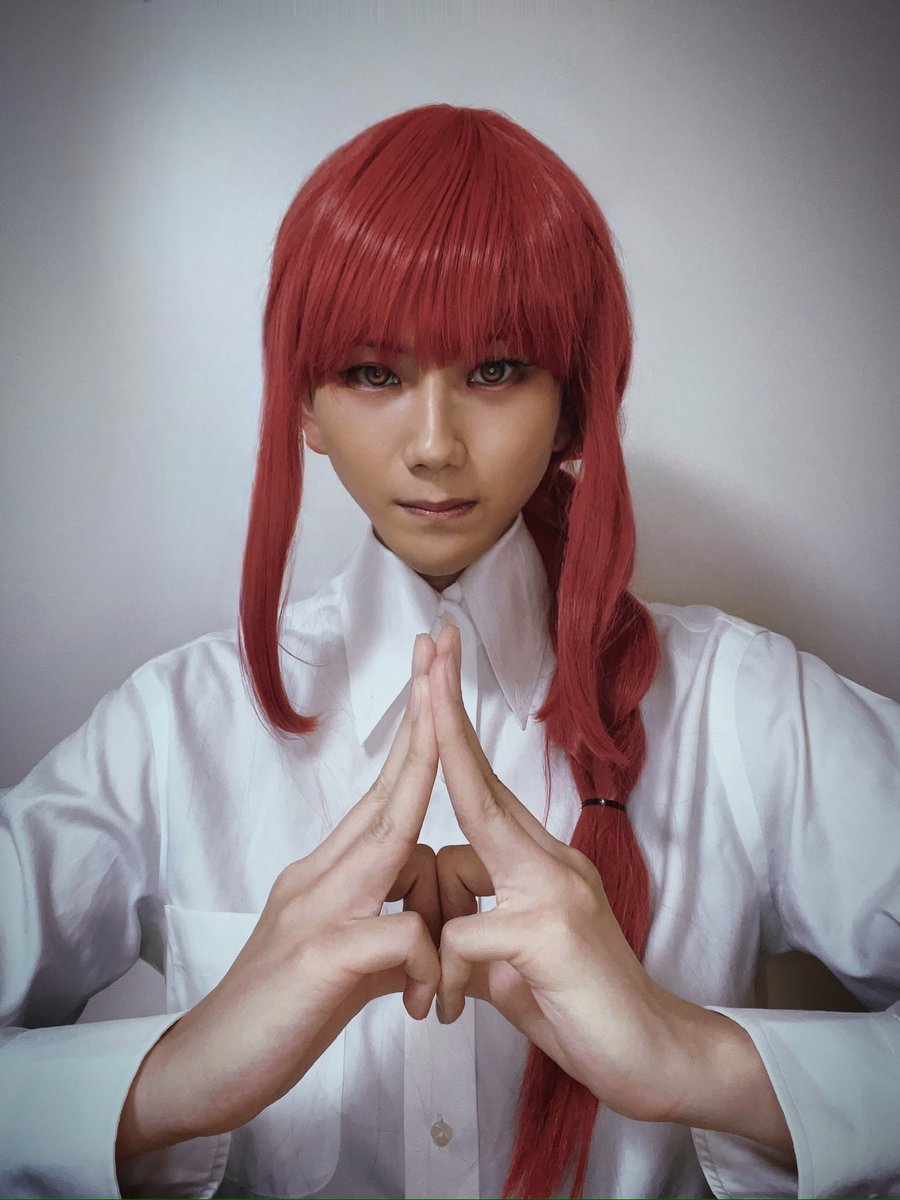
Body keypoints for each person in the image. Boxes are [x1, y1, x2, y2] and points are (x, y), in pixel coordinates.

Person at [1, 102, 898, 1200]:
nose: (433, 446)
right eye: (374, 374)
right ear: (306, 404)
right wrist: (174, 1080)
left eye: (497, 368)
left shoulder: (745, 707)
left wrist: (693, 1060)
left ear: (573, 402)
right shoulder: (169, 728)